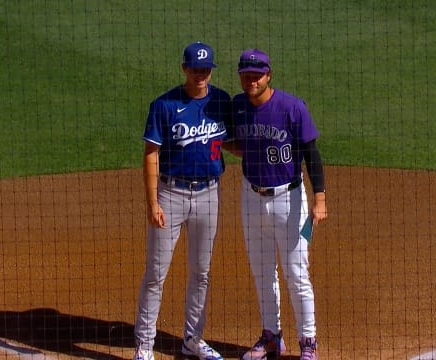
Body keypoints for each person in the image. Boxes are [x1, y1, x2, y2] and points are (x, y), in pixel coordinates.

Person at [225, 49, 328, 360]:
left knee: (297, 272)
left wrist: (320, 198)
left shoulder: (292, 107)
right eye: (246, 74)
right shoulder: (238, 106)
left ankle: (308, 342)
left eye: (257, 74)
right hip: (250, 198)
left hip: (290, 199)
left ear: (269, 75)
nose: (251, 79)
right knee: (262, 271)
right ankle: (271, 336)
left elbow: (312, 153)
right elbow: (237, 144)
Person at [133, 41, 231, 360]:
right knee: (156, 273)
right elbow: (151, 154)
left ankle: (192, 339)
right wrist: (153, 204)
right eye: (194, 68)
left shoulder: (221, 102)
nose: (200, 74)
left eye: (205, 69)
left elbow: (232, 143)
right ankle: (144, 347)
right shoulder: (164, 105)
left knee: (201, 272)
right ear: (184, 69)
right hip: (171, 194)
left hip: (209, 194)